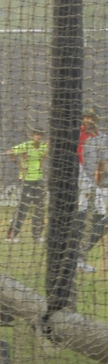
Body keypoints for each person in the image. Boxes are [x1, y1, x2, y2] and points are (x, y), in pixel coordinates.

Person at [76, 107, 108, 273]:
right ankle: (74, 259)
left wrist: (99, 185)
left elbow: (102, 164)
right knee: (80, 215)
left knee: (101, 220)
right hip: (76, 176)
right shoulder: (73, 132)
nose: (88, 120)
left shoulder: (101, 137)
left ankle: (78, 258)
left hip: (91, 181)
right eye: (86, 117)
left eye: (92, 117)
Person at [6, 128, 48, 242]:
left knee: (39, 208)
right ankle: (11, 235)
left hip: (39, 180)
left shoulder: (44, 146)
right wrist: (19, 166)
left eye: (40, 135)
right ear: (32, 136)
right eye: (36, 135)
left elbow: (46, 153)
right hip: (26, 180)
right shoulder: (26, 146)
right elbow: (9, 152)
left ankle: (37, 235)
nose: (38, 137)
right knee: (23, 208)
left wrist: (42, 162)